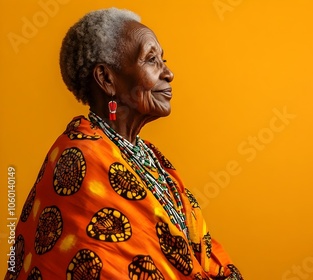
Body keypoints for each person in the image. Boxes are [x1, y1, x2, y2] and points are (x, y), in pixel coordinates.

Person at [5, 7, 243, 280]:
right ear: (106, 78)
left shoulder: (149, 155)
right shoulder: (82, 157)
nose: (168, 73)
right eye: (151, 59)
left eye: (163, 59)